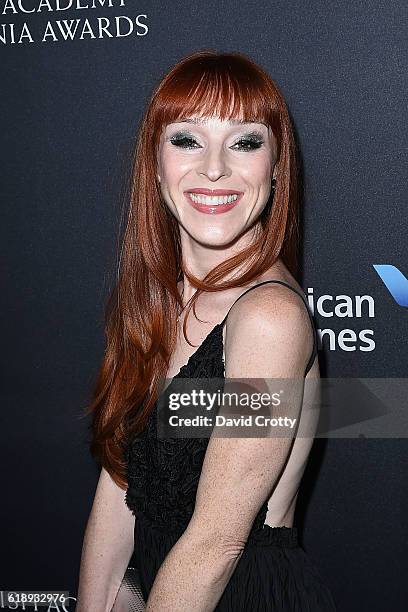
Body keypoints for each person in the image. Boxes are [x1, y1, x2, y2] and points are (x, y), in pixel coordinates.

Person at [76, 50, 337, 611]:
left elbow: (216, 543)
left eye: (245, 141)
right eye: (187, 139)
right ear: (156, 160)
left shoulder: (270, 319)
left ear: (276, 165)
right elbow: (122, 480)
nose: (214, 168)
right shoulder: (158, 297)